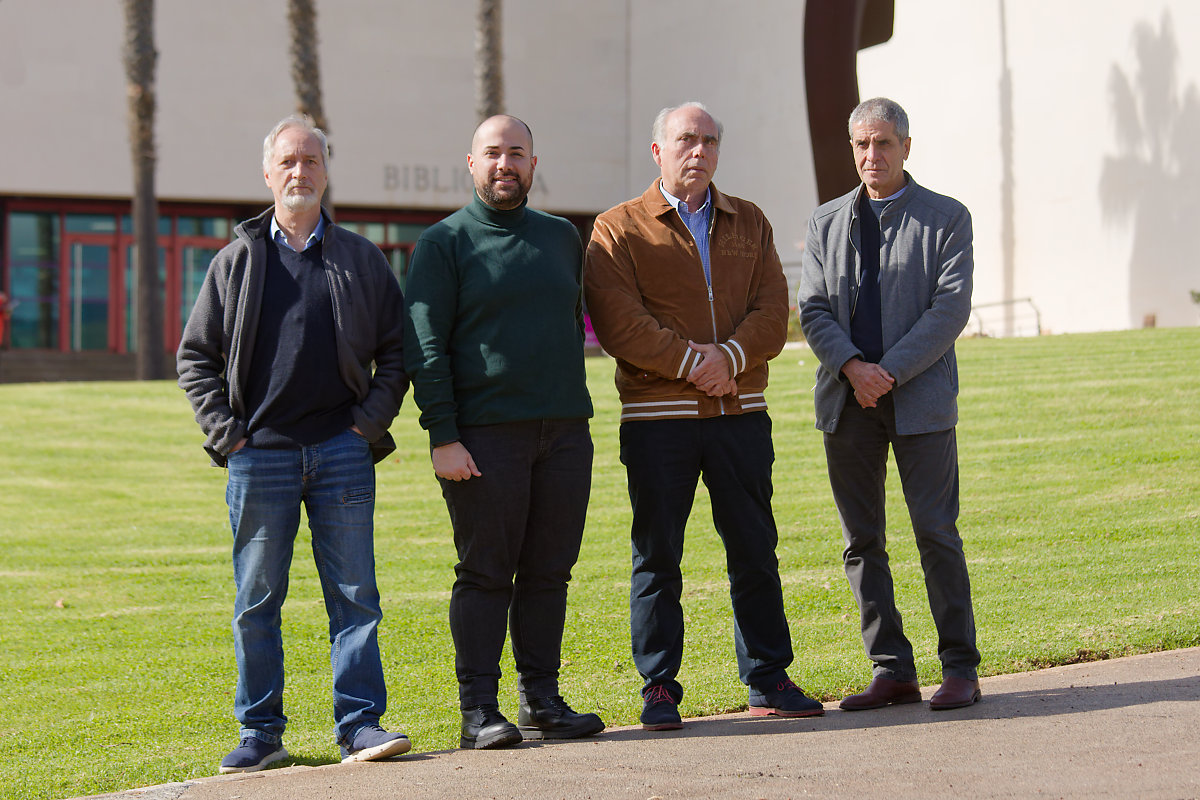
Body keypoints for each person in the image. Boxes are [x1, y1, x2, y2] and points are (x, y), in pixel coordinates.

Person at [177, 115, 411, 772]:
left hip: (341, 452)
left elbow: (397, 355)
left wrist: (366, 427)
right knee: (256, 601)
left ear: (326, 170)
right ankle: (261, 736)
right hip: (261, 460)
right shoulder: (237, 260)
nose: (299, 172)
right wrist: (229, 436)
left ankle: (360, 726)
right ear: (267, 172)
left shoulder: (361, 259)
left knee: (356, 597)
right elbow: (195, 356)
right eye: (287, 161)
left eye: (310, 160)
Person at [585, 102, 824, 731]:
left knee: (754, 546)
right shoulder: (618, 229)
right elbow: (620, 323)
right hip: (658, 418)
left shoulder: (751, 222)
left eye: (710, 141)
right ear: (657, 150)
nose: (700, 151)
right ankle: (659, 686)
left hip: (741, 412)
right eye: (686, 139)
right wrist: (698, 363)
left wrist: (734, 357)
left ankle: (768, 675)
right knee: (657, 554)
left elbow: (775, 308)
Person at [404, 114, 604, 750]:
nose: (504, 165)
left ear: (533, 165)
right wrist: (442, 433)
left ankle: (541, 701)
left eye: (516, 154)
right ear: (472, 164)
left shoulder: (561, 238)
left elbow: (573, 322)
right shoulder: (443, 243)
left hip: (566, 432)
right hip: (485, 437)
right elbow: (425, 346)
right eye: (493, 154)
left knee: (550, 569)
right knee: (488, 570)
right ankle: (478, 711)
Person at [798, 97, 981, 711]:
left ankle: (959, 666)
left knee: (935, 532)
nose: (871, 156)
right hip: (846, 405)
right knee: (861, 542)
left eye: (883, 144)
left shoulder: (947, 218)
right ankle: (892, 670)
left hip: (920, 403)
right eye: (861, 145)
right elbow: (814, 309)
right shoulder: (825, 222)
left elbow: (949, 311)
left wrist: (888, 373)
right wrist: (853, 368)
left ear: (906, 147)